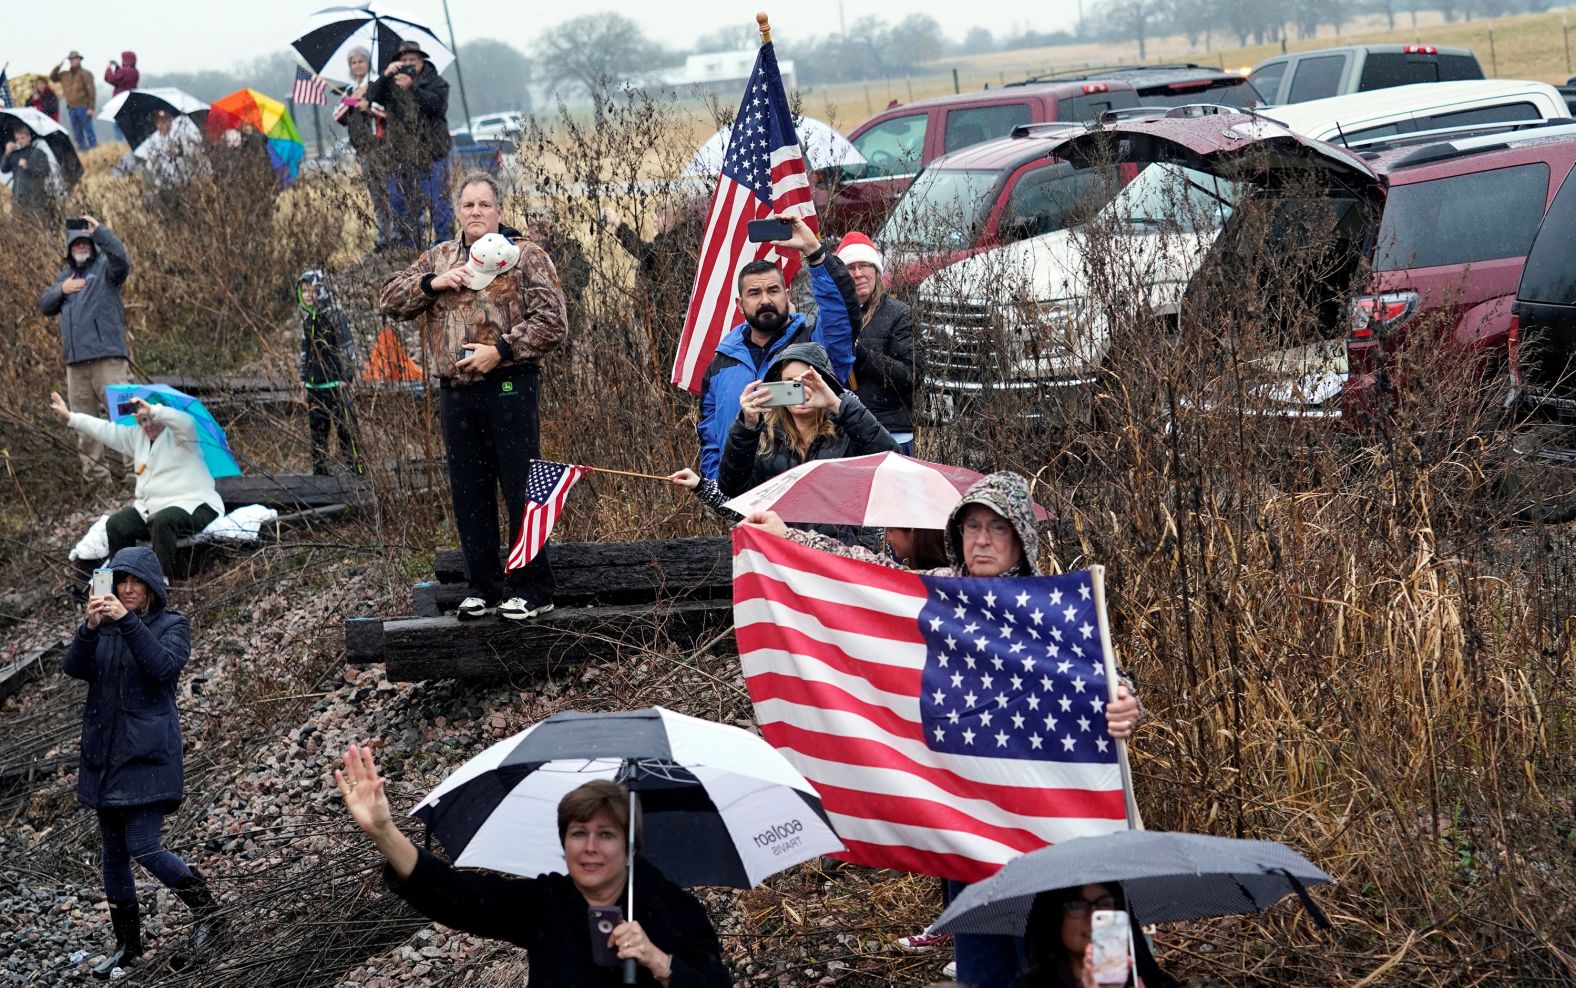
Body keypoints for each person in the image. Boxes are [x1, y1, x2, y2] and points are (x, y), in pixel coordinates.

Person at [741, 471, 1143, 987]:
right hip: (968, 821)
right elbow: (860, 572)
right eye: (971, 526)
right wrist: (786, 536)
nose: (981, 540)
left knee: (1073, 964)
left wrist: (1126, 702)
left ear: (1021, 536)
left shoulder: (1054, 608)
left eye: (996, 528)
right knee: (985, 969)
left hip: (1052, 827)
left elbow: (1109, 678)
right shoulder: (937, 593)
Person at [334, 744, 731, 986]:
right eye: (578, 833)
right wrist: (384, 831)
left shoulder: (677, 912)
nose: (590, 847)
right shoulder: (548, 903)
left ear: (631, 848)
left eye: (606, 834)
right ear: (563, 844)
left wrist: (660, 962)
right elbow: (454, 896)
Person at [379, 172, 566, 621]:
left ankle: (532, 588)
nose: (476, 212)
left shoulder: (524, 256)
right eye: (468, 206)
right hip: (456, 393)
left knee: (521, 487)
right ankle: (483, 586)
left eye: (484, 205)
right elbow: (388, 299)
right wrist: (432, 284)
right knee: (469, 493)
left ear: (499, 212)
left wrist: (499, 351)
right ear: (458, 212)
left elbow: (554, 322)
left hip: (509, 386)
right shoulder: (441, 256)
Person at [64, 546, 223, 979]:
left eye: (135, 583)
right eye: (120, 582)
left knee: (144, 845)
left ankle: (211, 914)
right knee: (113, 854)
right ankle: (127, 945)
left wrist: (126, 621)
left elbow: (162, 668)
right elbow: (74, 669)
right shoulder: (105, 629)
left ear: (151, 587)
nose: (127, 589)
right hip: (105, 757)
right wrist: (89, 628)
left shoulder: (172, 625)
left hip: (150, 758)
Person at [697, 214, 860, 480]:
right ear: (740, 304)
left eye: (773, 291)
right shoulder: (721, 363)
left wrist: (815, 253)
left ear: (786, 296)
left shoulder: (813, 347)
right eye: (754, 293)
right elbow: (710, 436)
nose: (765, 300)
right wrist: (719, 488)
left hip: (805, 494)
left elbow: (841, 318)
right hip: (742, 498)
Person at [49, 392, 225, 578]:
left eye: (151, 419)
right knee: (117, 524)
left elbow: (186, 422)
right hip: (151, 509)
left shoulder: (181, 435)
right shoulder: (137, 437)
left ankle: (159, 582)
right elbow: (105, 430)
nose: (147, 425)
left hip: (195, 505)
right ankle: (119, 581)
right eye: (142, 420)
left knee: (164, 521)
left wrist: (153, 410)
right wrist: (70, 417)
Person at [40, 215, 133, 482]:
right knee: (83, 423)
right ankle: (97, 480)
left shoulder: (106, 269)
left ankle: (137, 473)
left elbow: (122, 259)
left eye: (85, 243)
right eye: (76, 244)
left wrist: (101, 231)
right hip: (75, 364)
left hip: (107, 359)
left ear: (93, 245)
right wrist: (62, 290)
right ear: (69, 249)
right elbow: (45, 304)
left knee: (124, 416)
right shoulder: (64, 278)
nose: (81, 247)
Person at [837, 232, 922, 453]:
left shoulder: (898, 314)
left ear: (875, 270)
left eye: (864, 265)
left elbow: (911, 376)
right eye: (849, 267)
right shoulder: (830, 319)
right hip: (844, 433)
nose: (857, 274)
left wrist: (860, 353)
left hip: (891, 433)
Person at [366, 39, 452, 250]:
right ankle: (411, 248)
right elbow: (370, 98)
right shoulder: (391, 85)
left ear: (422, 61)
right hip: (401, 155)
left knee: (439, 204)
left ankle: (445, 247)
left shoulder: (436, 81)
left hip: (433, 153)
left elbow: (437, 107)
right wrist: (385, 75)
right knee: (402, 204)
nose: (408, 63)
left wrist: (412, 87)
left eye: (412, 59)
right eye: (403, 60)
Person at [602, 202, 702, 377]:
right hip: (669, 317)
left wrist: (619, 224)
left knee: (669, 367)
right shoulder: (678, 241)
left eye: (659, 216)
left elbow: (643, 252)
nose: (655, 220)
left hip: (672, 318)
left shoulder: (674, 243)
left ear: (671, 219)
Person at [1013, 884, 1176, 988]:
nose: (1093, 914)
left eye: (1105, 903)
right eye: (1077, 905)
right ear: (1056, 919)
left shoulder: (1155, 983)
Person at [297, 269, 360, 475]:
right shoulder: (307, 318)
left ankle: (356, 467)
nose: (307, 295)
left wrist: (346, 376)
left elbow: (347, 346)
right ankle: (320, 471)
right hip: (315, 385)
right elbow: (305, 350)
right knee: (318, 431)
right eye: (304, 291)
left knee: (345, 428)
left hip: (335, 383)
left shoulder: (334, 315)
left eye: (311, 290)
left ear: (321, 290)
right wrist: (303, 377)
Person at [331, 46, 392, 252]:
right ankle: (383, 236)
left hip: (382, 146)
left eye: (360, 61)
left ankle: (398, 234)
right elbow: (338, 116)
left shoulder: (378, 85)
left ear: (368, 63)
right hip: (362, 150)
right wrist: (352, 100)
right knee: (376, 194)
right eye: (353, 62)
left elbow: (388, 112)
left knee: (389, 191)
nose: (357, 65)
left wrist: (368, 103)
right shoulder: (348, 90)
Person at [3, 125, 55, 216]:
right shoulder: (15, 154)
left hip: (35, 200)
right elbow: (4, 169)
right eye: (17, 139)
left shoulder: (39, 152)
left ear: (29, 137)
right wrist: (6, 153)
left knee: (35, 227)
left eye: (23, 138)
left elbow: (46, 172)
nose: (20, 141)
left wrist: (28, 166)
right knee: (18, 227)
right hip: (18, 199)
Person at [52, 51, 98, 150]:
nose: (72, 61)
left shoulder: (86, 74)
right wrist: (58, 66)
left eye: (74, 59)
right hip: (71, 108)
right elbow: (53, 77)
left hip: (83, 107)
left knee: (88, 129)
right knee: (77, 131)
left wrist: (91, 107)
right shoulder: (64, 75)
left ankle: (94, 149)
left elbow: (91, 92)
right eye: (71, 59)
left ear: (79, 60)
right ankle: (83, 150)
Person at [104, 52, 138, 141]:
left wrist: (108, 69)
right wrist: (118, 68)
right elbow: (123, 80)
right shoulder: (135, 72)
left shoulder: (124, 71)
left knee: (118, 123)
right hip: (130, 100)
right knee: (128, 123)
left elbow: (110, 78)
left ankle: (119, 141)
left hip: (120, 100)